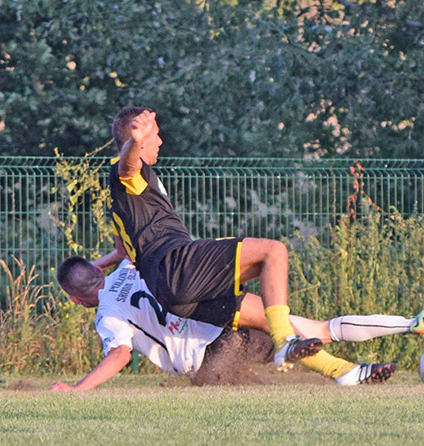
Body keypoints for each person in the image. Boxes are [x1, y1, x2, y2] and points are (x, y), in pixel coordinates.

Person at [106, 107, 320, 370]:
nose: (160, 141)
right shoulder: (126, 173)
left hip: (170, 293)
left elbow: (123, 250)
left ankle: (343, 371)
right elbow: (128, 168)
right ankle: (284, 342)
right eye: (156, 135)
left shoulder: (124, 201)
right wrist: (135, 142)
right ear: (135, 140)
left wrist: (95, 266)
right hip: (175, 265)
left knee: (269, 313)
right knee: (273, 251)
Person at [50, 255, 424, 390]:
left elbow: (120, 354)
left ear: (73, 297)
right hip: (222, 322)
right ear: (98, 272)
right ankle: (408, 323)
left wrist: (77, 388)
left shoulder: (106, 315)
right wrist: (101, 266)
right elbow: (121, 249)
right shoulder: (133, 264)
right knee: (315, 328)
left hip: (205, 362)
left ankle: (312, 362)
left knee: (288, 340)